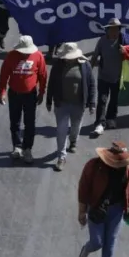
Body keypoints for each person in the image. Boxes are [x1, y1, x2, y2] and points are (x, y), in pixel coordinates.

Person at [77, 141, 129, 257]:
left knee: (111, 241)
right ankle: (86, 250)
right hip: (96, 208)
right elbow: (83, 189)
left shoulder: (127, 170)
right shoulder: (93, 166)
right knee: (97, 242)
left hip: (117, 210)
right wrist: (82, 211)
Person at [0, 35, 48, 163]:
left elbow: (43, 75)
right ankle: (17, 146)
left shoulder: (38, 56)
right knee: (14, 122)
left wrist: (42, 92)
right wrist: (2, 92)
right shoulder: (11, 56)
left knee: (30, 123)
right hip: (14, 94)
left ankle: (27, 148)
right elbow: (4, 74)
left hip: (30, 95)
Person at [46, 42, 96, 170]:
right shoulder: (58, 66)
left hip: (78, 104)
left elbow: (91, 84)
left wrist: (92, 103)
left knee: (75, 126)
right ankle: (61, 157)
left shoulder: (85, 66)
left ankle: (73, 140)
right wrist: (49, 100)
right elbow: (51, 83)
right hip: (61, 104)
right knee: (61, 130)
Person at [90, 18, 129, 135]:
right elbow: (94, 57)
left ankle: (111, 119)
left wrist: (125, 52)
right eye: (112, 29)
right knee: (102, 100)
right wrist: (88, 72)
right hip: (103, 76)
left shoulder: (125, 41)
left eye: (116, 29)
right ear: (107, 30)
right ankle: (100, 123)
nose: (114, 31)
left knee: (114, 99)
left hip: (118, 76)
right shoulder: (102, 41)